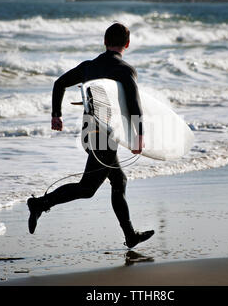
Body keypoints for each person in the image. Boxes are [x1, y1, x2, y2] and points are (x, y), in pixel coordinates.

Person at [27, 23, 155, 249]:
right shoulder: (125, 70)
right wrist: (139, 135)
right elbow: (134, 103)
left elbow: (59, 84)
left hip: (89, 132)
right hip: (106, 135)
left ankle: (130, 235)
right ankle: (39, 204)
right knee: (87, 189)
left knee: (119, 180)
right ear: (127, 44)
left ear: (105, 42)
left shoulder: (89, 67)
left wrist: (56, 115)